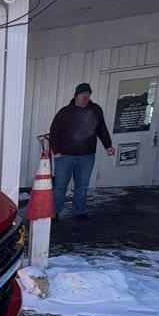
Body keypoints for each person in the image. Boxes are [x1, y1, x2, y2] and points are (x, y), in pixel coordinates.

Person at [49, 83, 115, 222]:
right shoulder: (65, 112)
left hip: (87, 156)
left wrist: (108, 145)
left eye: (88, 93)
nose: (85, 96)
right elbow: (54, 132)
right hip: (65, 156)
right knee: (60, 186)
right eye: (82, 94)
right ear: (76, 95)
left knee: (82, 186)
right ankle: (54, 212)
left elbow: (101, 128)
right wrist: (56, 151)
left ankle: (80, 212)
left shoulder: (96, 110)